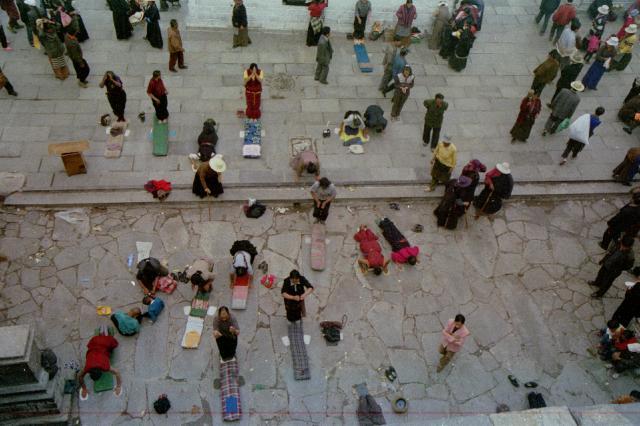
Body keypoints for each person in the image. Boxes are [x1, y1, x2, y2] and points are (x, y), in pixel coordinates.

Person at [78, 329, 122, 399]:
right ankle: (103, 332)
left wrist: (119, 386)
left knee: (106, 339)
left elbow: (117, 373)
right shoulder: (88, 367)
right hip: (95, 341)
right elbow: (80, 376)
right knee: (102, 336)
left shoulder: (104, 366)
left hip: (102, 342)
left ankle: (104, 332)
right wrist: (84, 388)